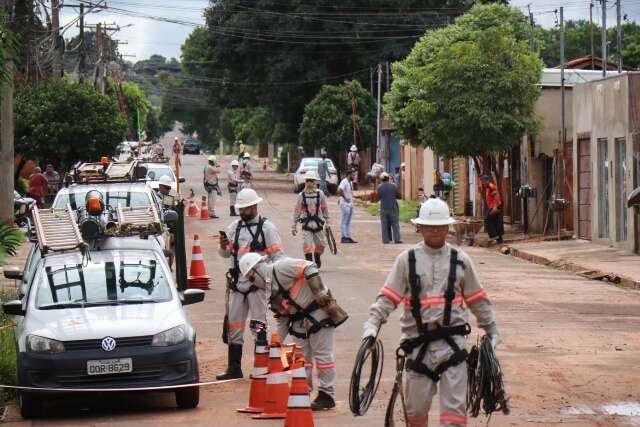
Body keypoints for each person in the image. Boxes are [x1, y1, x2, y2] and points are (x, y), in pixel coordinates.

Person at [362, 197, 501, 427]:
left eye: (440, 226)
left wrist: (492, 330)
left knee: (454, 415)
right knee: (415, 413)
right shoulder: (407, 261)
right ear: (420, 227)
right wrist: (372, 325)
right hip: (417, 347)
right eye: (430, 226)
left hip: (452, 347)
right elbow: (388, 298)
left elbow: (478, 300)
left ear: (448, 227)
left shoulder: (461, 260)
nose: (435, 231)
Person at [239, 253, 348, 411]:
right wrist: (275, 344)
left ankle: (327, 394)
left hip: (319, 314)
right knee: (297, 358)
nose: (252, 282)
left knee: (323, 356)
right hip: (298, 321)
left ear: (258, 270)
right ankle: (302, 391)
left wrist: (319, 292)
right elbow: (282, 319)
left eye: (251, 277)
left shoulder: (281, 267)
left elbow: (309, 267)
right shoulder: (269, 291)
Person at [217, 188, 284, 380]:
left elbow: (278, 258)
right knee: (234, 327)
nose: (242, 213)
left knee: (259, 327)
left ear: (255, 206)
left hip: (258, 288)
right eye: (240, 209)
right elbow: (225, 254)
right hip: (237, 286)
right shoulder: (234, 228)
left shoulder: (267, 228)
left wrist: (272, 282)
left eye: (245, 209)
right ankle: (234, 368)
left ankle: (261, 367)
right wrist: (223, 245)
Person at [292, 171, 329, 269]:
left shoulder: (320, 194)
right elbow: (297, 210)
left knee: (321, 245)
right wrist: (294, 225)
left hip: (318, 224)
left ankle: (317, 256)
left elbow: (325, 208)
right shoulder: (301, 195)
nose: (309, 183)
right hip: (306, 225)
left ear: (315, 182)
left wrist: (328, 222)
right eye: (307, 180)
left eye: (311, 181)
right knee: (307, 245)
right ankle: (310, 265)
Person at [375, 172, 402, 244]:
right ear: (388, 179)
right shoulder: (394, 186)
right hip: (393, 207)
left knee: (384, 224)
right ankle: (397, 239)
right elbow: (399, 196)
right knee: (395, 224)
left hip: (383, 208)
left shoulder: (379, 187)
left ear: (381, 179)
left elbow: (377, 198)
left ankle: (385, 240)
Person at [480, 174, 504, 243]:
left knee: (487, 219)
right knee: (495, 222)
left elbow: (496, 196)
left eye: (483, 182)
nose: (482, 183)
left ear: (486, 181)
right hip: (492, 206)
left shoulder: (491, 186)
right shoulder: (488, 187)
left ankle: (493, 236)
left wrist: (495, 207)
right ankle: (499, 239)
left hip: (495, 206)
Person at [337, 169, 356, 244]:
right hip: (345, 204)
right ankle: (344, 237)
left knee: (348, 222)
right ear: (349, 175)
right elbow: (339, 190)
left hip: (350, 204)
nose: (354, 176)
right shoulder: (344, 181)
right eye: (353, 175)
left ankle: (348, 237)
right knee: (344, 221)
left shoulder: (350, 182)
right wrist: (344, 198)